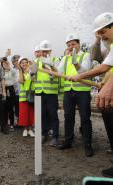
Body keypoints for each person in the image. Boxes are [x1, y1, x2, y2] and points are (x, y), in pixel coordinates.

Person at [67, 12, 113, 176]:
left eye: (103, 32)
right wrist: (99, 38)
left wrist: (79, 76)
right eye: (98, 33)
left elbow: (102, 67)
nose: (101, 36)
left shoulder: (85, 54)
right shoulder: (110, 46)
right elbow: (102, 61)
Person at [57, 33, 94, 157]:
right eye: (68, 45)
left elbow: (85, 71)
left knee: (85, 118)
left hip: (82, 91)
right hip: (68, 91)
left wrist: (75, 62)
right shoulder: (65, 58)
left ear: (78, 44)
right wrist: (65, 58)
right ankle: (68, 141)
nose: (71, 46)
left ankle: (88, 144)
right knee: (68, 117)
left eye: (73, 44)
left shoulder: (85, 55)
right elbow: (60, 72)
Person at [31, 40, 59, 146]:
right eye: (42, 51)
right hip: (39, 92)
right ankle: (43, 134)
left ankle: (55, 136)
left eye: (46, 51)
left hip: (51, 92)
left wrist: (50, 66)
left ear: (50, 51)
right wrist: (32, 73)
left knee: (53, 114)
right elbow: (32, 79)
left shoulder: (55, 60)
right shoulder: (36, 62)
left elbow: (58, 74)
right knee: (41, 114)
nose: (43, 53)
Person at [18, 57, 35, 137]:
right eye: (22, 63)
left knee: (31, 113)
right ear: (20, 65)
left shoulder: (31, 72)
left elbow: (34, 78)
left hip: (31, 96)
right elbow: (21, 81)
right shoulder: (20, 73)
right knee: (24, 114)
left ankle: (30, 129)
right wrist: (20, 70)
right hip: (23, 97)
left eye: (26, 62)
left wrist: (32, 66)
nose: (24, 64)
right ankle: (25, 129)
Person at [1, 57, 16, 131]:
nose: (5, 65)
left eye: (6, 63)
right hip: (3, 89)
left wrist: (8, 65)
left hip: (11, 89)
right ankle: (5, 123)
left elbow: (14, 73)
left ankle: (12, 124)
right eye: (3, 64)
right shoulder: (1, 72)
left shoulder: (12, 71)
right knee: (4, 108)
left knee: (11, 108)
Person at [11, 55, 20, 125]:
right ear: (13, 62)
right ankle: (18, 121)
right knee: (17, 107)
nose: (17, 62)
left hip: (24, 92)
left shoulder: (24, 69)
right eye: (16, 61)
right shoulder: (12, 70)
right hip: (15, 92)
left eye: (18, 60)